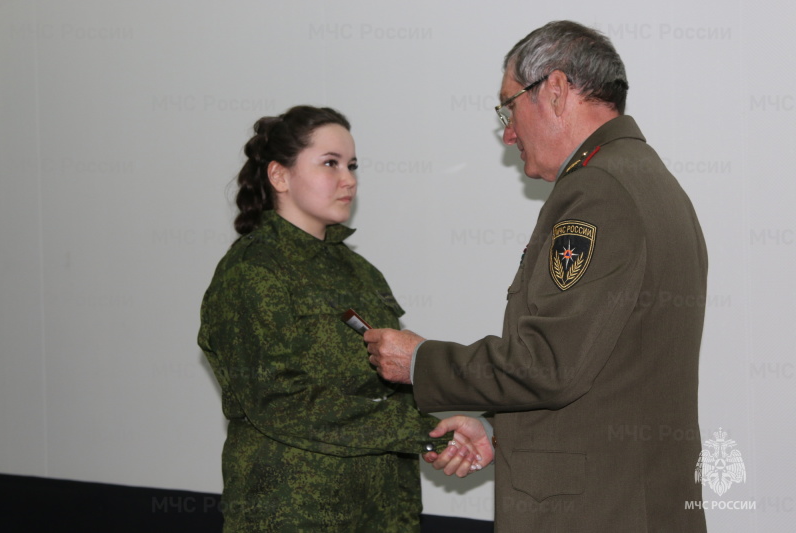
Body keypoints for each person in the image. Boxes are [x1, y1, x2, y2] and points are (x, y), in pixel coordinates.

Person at [366, 21, 708, 532]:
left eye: (508, 107)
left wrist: (419, 361)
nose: (507, 133)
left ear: (554, 89)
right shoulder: (649, 179)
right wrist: (501, 433)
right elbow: (605, 370)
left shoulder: (598, 191)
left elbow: (549, 363)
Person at [197, 105, 490, 532]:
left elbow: (396, 381)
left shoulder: (359, 272)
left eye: (352, 165)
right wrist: (426, 431)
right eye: (330, 163)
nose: (348, 178)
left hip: (381, 509)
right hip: (295, 512)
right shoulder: (252, 271)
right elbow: (281, 402)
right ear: (279, 176)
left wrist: (444, 426)